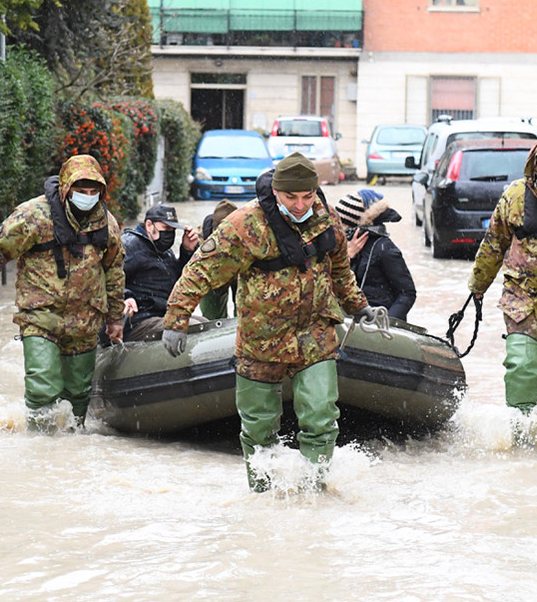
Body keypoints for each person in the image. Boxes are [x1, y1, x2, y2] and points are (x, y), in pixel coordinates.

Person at [159, 153, 376, 492]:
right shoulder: (244, 225)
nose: (301, 204)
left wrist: (357, 305)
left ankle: (314, 496)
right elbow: (201, 269)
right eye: (292, 197)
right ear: (276, 192)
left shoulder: (327, 218)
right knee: (259, 430)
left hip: (314, 336)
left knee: (321, 417)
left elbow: (340, 272)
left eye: (308, 196)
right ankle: (263, 500)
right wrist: (176, 318)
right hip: (262, 341)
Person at [0, 154, 126, 429]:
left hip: (85, 319)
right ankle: (40, 449)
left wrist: (115, 318)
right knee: (43, 387)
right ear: (66, 189)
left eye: (93, 192)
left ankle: (69, 452)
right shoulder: (33, 216)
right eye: (81, 192)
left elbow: (114, 271)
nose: (88, 197)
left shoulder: (106, 223)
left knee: (78, 393)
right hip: (41, 316)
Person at [467, 133, 537, 414]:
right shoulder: (514, 196)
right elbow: (494, 243)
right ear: (534, 167)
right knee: (523, 368)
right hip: (522, 302)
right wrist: (478, 285)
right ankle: (519, 438)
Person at [121, 203, 201, 341]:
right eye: (165, 228)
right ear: (149, 225)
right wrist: (126, 296)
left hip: (164, 314)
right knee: (193, 327)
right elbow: (107, 278)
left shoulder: (163, 249)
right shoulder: (130, 246)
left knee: (205, 323)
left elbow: (178, 282)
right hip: (139, 320)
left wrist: (187, 251)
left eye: (172, 229)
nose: (169, 234)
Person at [333, 189, 416, 320]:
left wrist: (387, 323)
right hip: (349, 322)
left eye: (343, 227)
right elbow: (328, 283)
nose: (339, 232)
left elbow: (407, 293)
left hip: (378, 325)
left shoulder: (384, 248)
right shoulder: (340, 248)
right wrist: (347, 256)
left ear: (356, 228)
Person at [197, 199, 239, 320]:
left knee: (245, 316)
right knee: (212, 320)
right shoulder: (202, 241)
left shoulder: (249, 233)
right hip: (214, 275)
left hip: (241, 272)